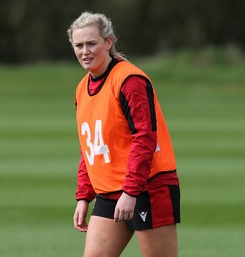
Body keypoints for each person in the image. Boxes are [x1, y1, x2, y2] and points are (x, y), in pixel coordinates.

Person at [67, 11, 180, 257]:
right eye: (78, 45)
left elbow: (145, 138)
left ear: (108, 42)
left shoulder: (130, 80)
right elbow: (89, 147)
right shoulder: (81, 89)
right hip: (110, 191)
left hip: (148, 186)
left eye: (91, 43)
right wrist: (84, 196)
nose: (84, 51)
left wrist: (131, 191)